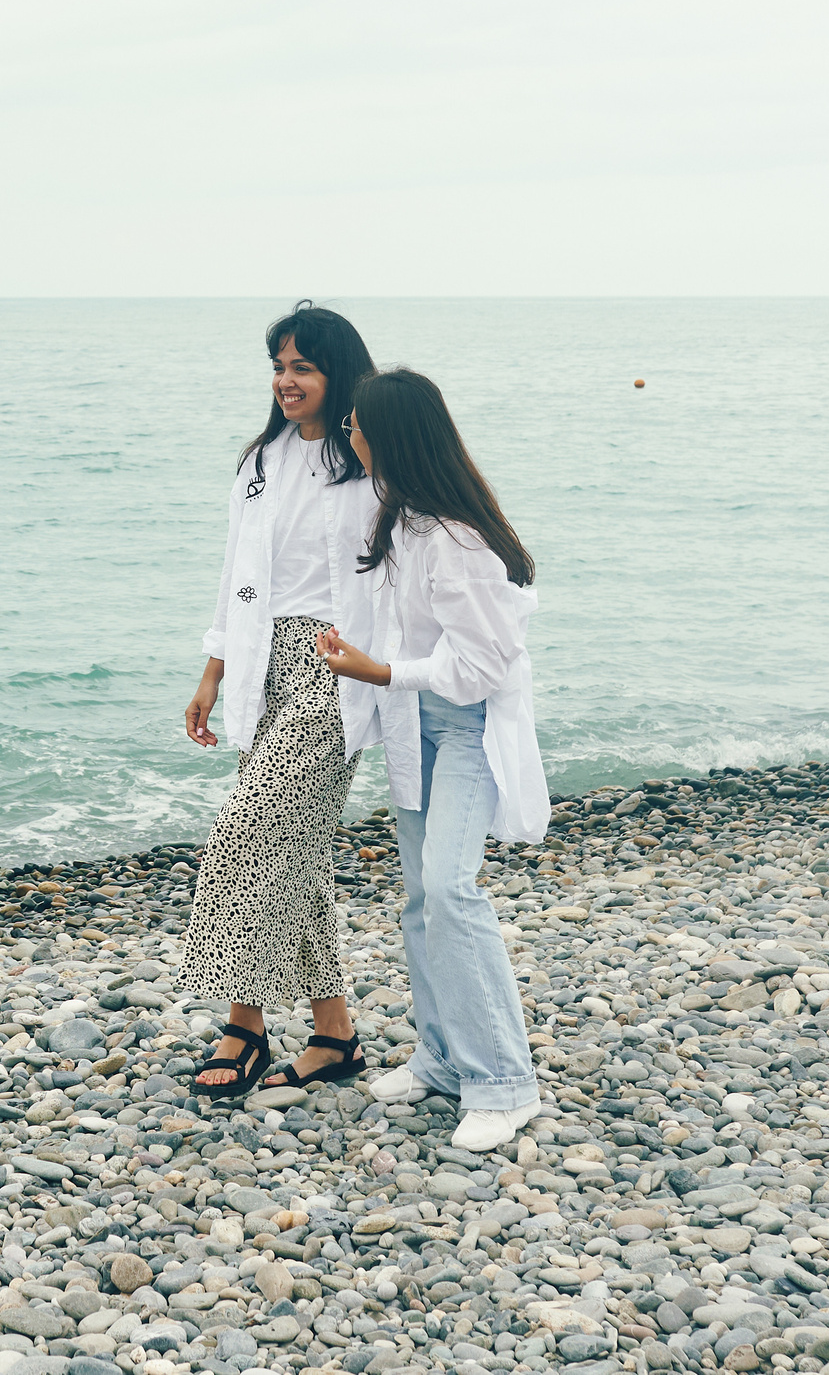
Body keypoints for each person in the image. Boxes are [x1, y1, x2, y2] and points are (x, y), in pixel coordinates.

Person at [312, 365, 551, 1152]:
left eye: (357, 425)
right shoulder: (399, 517)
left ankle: (505, 1082)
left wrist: (378, 671)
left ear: (393, 435)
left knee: (451, 890)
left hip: (466, 728)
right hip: (414, 724)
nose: (349, 435)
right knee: (418, 896)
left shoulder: (456, 540)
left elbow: (483, 666)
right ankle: (443, 1058)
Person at [179, 302, 386, 1098]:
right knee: (292, 852)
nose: (286, 380)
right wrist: (214, 668)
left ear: (339, 373)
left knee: (249, 831)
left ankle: (246, 1024)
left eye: (303, 365)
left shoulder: (366, 458)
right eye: (278, 365)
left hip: (334, 668)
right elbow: (236, 570)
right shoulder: (260, 459)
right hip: (263, 660)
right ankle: (335, 1036)